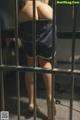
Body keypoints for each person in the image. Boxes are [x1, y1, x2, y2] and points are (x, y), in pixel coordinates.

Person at [18, 0, 56, 119]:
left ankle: (31, 102)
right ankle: (50, 99)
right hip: (46, 10)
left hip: (26, 12)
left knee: (30, 64)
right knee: (45, 63)